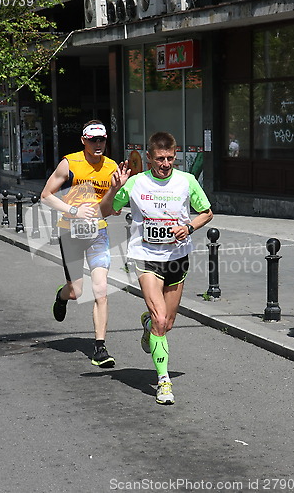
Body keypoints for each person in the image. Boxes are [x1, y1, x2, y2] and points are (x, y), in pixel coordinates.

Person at [100, 131, 213, 404]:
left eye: (170, 158)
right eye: (160, 159)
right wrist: (115, 188)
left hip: (177, 258)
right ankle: (164, 382)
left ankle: (147, 324)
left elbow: (207, 212)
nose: (165, 164)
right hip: (145, 257)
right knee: (162, 321)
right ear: (149, 158)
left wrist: (188, 227)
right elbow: (104, 210)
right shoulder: (136, 183)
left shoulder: (186, 182)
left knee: (167, 323)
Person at [41, 119, 118, 368]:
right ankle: (62, 297)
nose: (98, 144)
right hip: (71, 234)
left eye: (102, 139)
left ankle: (100, 348)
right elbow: (46, 196)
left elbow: (110, 206)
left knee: (101, 291)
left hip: (98, 233)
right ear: (83, 141)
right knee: (77, 291)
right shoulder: (70, 163)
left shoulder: (112, 167)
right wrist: (73, 210)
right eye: (93, 140)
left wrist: (115, 202)